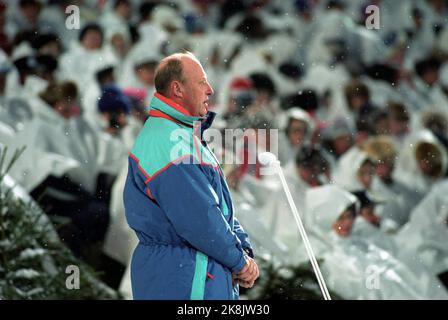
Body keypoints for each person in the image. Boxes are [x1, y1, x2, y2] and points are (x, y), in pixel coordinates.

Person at [123, 52, 259, 300]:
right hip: (182, 277)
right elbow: (199, 219)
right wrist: (239, 261)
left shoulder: (184, 136)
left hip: (194, 271)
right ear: (177, 89)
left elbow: (220, 210)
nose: (210, 90)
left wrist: (243, 251)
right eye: (202, 82)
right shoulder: (167, 140)